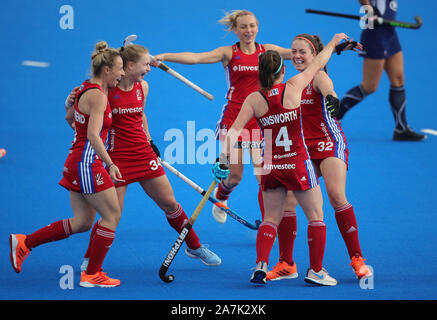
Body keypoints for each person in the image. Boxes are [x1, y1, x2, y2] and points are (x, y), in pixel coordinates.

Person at [66, 43, 221, 270]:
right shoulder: (106, 90)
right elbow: (74, 116)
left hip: (143, 154)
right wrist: (69, 101)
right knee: (113, 216)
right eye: (145, 64)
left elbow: (141, 116)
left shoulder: (143, 87)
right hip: (116, 159)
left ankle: (194, 247)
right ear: (129, 65)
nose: (148, 69)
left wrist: (149, 141)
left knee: (170, 204)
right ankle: (90, 260)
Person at [215, 33, 354, 286]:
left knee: (270, 218)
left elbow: (233, 130)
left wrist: (223, 160)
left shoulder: (254, 99)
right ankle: (315, 271)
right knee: (316, 216)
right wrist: (333, 43)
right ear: (282, 70)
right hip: (298, 164)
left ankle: (261, 265)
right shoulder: (294, 88)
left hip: (271, 166)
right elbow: (317, 63)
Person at [152, 10, 292, 224]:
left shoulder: (267, 50)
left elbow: (297, 53)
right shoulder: (229, 53)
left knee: (263, 176)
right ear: (235, 30)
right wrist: (165, 56)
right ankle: (221, 195)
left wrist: (330, 48)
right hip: (235, 119)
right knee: (234, 177)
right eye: (243, 27)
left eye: (252, 26)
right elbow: (196, 58)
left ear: (257, 27)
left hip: (261, 120)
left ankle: (268, 224)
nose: (249, 30)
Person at [9, 41, 125, 288]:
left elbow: (70, 119)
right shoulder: (98, 96)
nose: (122, 73)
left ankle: (25, 242)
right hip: (87, 164)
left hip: (78, 161)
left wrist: (67, 105)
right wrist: (110, 163)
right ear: (107, 70)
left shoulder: (84, 88)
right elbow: (93, 135)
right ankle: (92, 273)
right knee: (112, 215)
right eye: (119, 69)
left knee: (83, 222)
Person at [263, 34, 372, 282]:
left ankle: (357, 258)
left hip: (328, 142)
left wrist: (332, 97)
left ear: (315, 56)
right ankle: (286, 264)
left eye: (303, 52)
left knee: (335, 196)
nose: (297, 56)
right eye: (294, 52)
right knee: (288, 202)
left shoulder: (319, 75)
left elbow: (328, 87)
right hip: (303, 149)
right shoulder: (292, 83)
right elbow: (267, 47)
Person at [337, 0, 426, 141]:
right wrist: (370, 10)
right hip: (376, 34)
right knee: (369, 86)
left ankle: (401, 128)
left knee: (398, 80)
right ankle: (334, 118)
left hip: (390, 33)